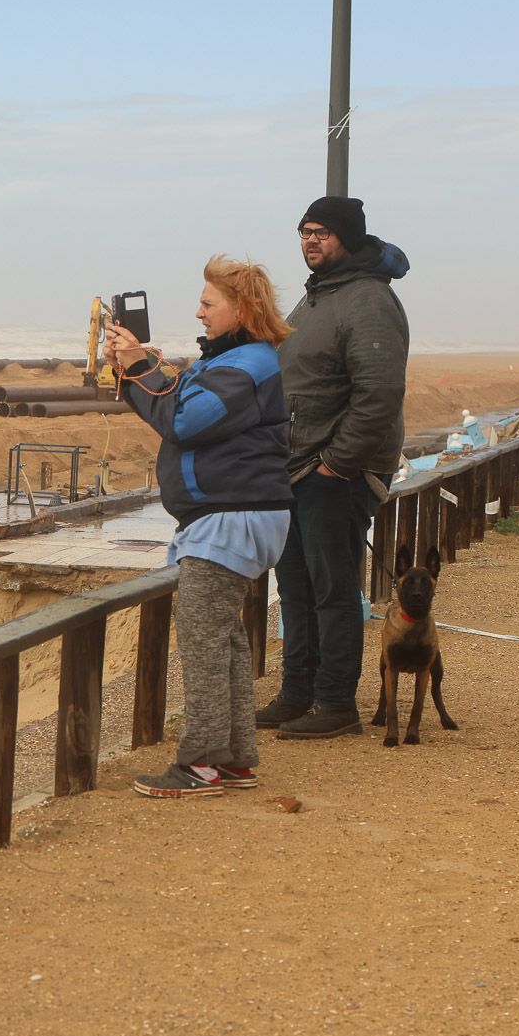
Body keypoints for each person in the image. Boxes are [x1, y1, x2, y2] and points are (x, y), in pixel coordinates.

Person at [105, 256, 293, 797]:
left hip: (229, 519)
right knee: (226, 639)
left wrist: (140, 368)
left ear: (243, 309)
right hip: (235, 515)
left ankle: (201, 764)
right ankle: (233, 760)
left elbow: (185, 421)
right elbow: (181, 407)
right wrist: (140, 370)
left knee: (205, 642)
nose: (199, 312)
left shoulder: (246, 367)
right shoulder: (240, 361)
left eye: (209, 304)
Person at [256, 196, 411, 740]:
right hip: (297, 469)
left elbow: (380, 393)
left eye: (321, 232)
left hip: (334, 476)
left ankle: (335, 702)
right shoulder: (318, 297)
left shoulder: (368, 299)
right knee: (295, 588)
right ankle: (298, 694)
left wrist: (336, 466)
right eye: (304, 232)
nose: (310, 241)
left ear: (347, 237)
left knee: (333, 590)